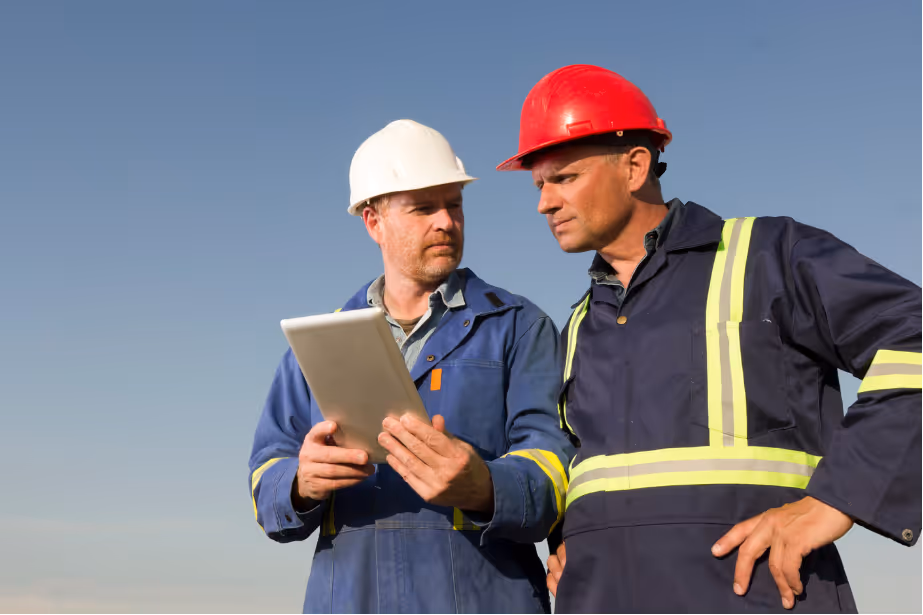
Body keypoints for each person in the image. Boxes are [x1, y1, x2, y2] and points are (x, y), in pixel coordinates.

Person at [496, 64, 921, 613]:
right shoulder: (579, 324)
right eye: (539, 185)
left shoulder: (769, 257)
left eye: (565, 178)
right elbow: (589, 471)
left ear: (634, 166)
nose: (544, 203)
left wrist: (835, 501)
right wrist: (570, 539)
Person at [249, 119, 574, 614]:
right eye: (423, 208)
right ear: (373, 221)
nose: (445, 221)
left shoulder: (518, 328)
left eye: (455, 204)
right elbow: (266, 474)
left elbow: (557, 468)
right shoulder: (317, 346)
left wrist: (484, 485)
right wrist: (300, 483)